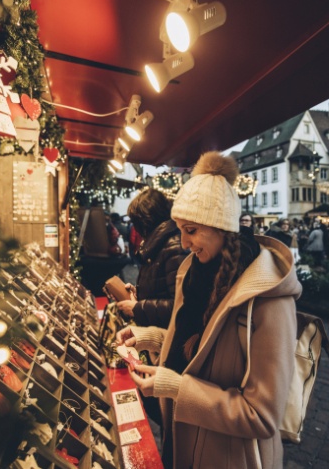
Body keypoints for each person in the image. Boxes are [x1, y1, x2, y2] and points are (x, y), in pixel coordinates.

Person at [115, 152, 300, 469]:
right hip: (182, 440)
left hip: (227, 457)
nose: (184, 243)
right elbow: (201, 351)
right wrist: (152, 338)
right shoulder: (194, 272)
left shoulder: (268, 300)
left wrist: (176, 388)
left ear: (220, 227)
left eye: (191, 230)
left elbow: (262, 416)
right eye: (180, 230)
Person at [115, 188, 188, 329]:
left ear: (145, 220)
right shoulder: (158, 242)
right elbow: (159, 288)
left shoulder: (174, 246)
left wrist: (138, 307)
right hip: (155, 334)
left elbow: (180, 305)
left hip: (165, 338)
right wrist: (138, 293)